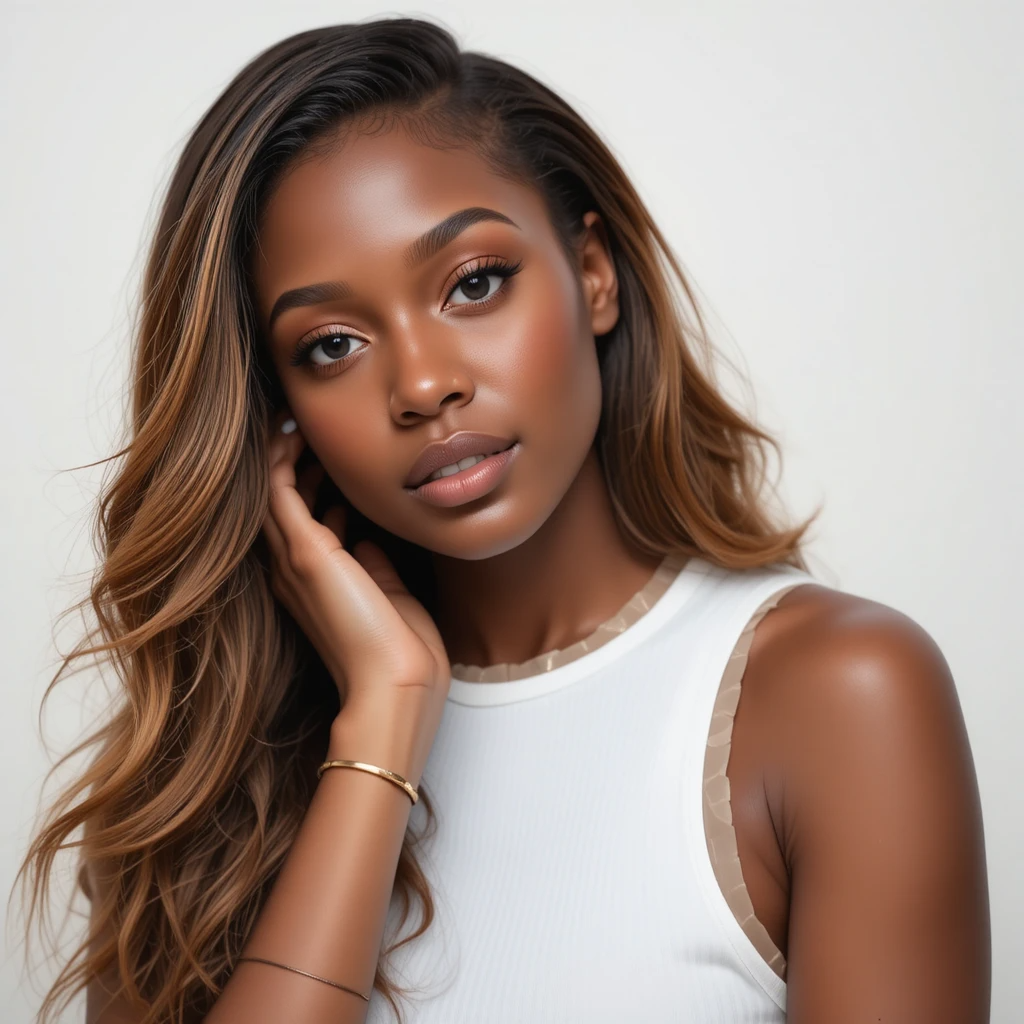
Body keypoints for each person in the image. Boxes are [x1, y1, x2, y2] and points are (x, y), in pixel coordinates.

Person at [16, 17, 990, 1024]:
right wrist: (385, 720)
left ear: (594, 274)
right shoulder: (206, 788)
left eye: (473, 284)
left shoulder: (835, 694)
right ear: (277, 410)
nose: (426, 384)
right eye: (334, 343)